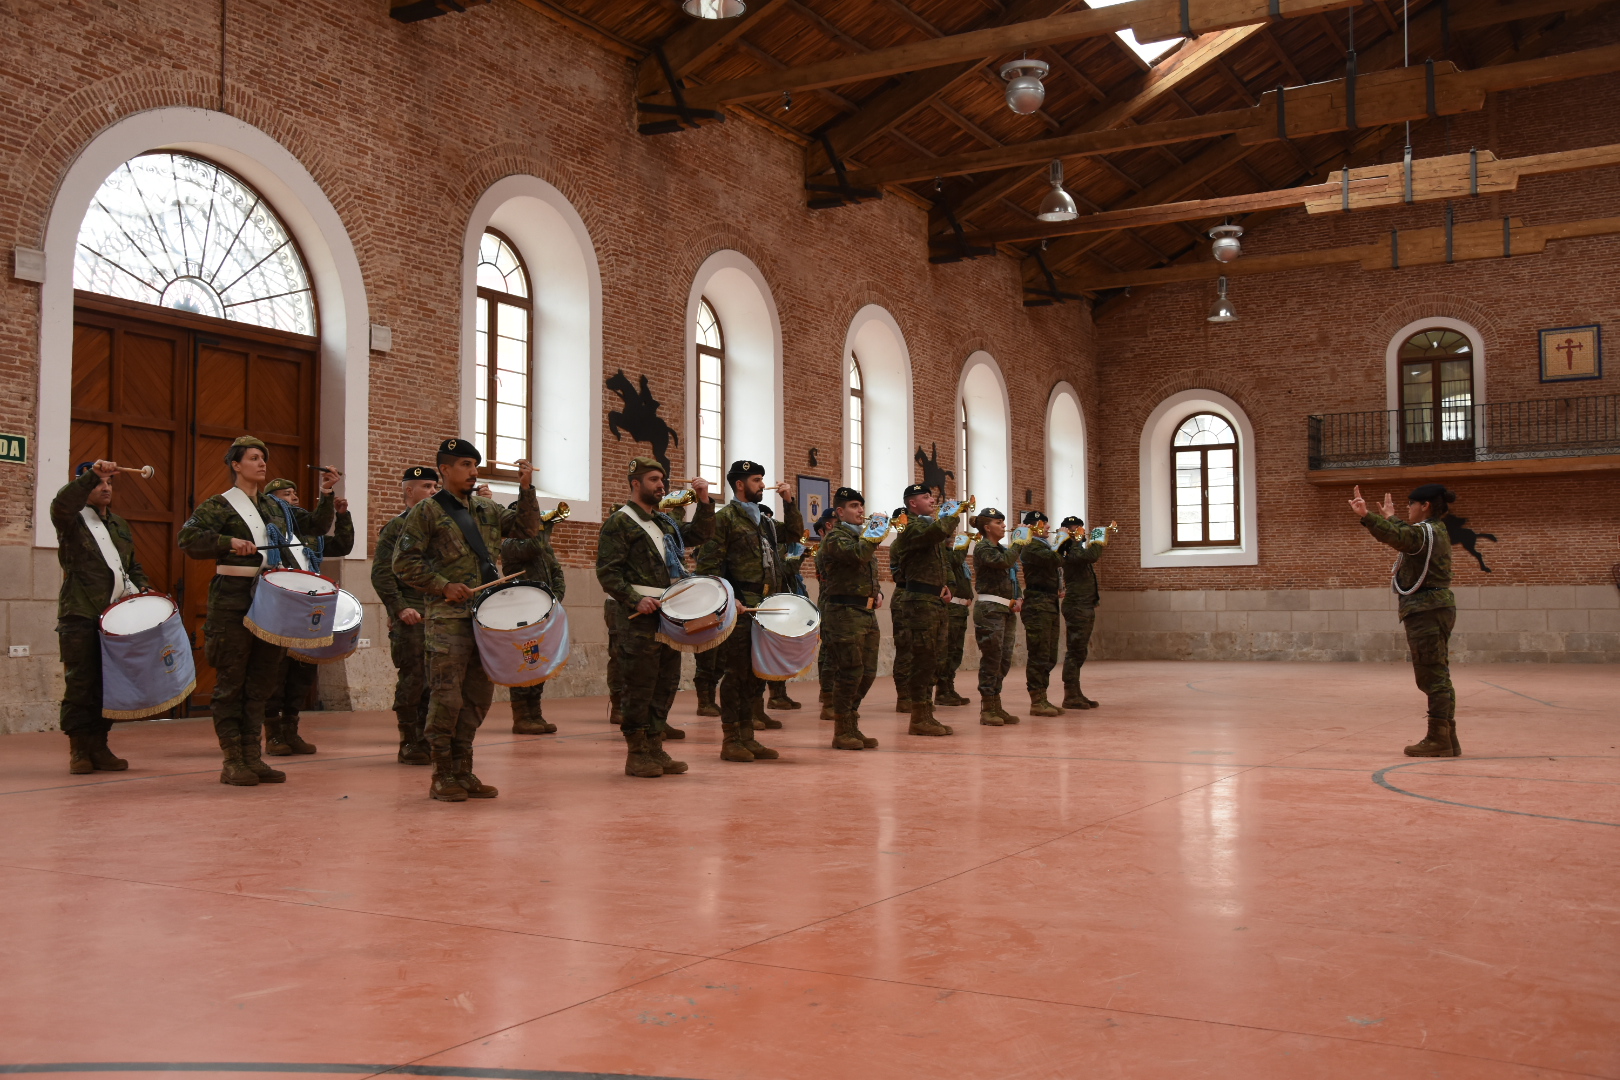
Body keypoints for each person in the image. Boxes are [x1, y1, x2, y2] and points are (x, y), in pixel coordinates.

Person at [179, 436, 335, 787]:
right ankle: (233, 759)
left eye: (263, 458)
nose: (262, 463)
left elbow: (314, 526)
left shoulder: (274, 507)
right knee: (232, 683)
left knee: (261, 682)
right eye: (253, 458)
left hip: (271, 601)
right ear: (236, 465)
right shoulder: (219, 506)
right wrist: (227, 542)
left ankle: (253, 756)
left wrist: (326, 494)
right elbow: (187, 540)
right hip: (233, 600)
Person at [392, 439, 539, 801]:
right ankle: (442, 774)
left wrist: (525, 489)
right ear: (444, 470)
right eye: (464, 464)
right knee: (446, 696)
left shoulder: (487, 510)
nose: (473, 471)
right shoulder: (426, 511)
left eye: (474, 464)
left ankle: (465, 769)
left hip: (487, 617)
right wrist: (443, 586)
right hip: (448, 619)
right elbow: (403, 562)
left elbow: (526, 528)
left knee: (478, 696)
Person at [596, 457, 714, 776]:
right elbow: (608, 573)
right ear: (635, 483)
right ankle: (636, 753)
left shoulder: (664, 523)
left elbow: (699, 534)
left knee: (666, 681)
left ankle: (655, 747)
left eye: (662, 480)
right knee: (640, 683)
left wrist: (703, 501)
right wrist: (635, 600)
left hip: (668, 612)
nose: (661, 485)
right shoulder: (620, 522)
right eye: (653, 479)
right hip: (638, 616)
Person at [50, 460, 150, 774]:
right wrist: (92, 472)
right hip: (80, 613)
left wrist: (143, 587)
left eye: (109, 483)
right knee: (80, 684)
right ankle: (79, 749)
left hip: (114, 616)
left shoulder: (119, 524)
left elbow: (130, 566)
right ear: (85, 485)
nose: (105, 487)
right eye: (98, 483)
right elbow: (61, 503)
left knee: (108, 685)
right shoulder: (71, 519)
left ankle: (100, 745)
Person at [1350, 483, 1461, 757]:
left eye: (1411, 504)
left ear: (1425, 506)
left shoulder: (1426, 532)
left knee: (1432, 676)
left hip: (1426, 609)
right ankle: (1448, 736)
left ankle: (1439, 738)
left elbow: (1401, 537)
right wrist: (1390, 518)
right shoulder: (1434, 530)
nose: (1408, 509)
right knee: (1437, 673)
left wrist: (1367, 516)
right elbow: (1406, 535)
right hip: (1433, 606)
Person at [695, 460, 794, 762]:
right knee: (736, 674)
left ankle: (748, 735)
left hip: (766, 605)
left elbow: (794, 533)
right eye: (756, 479)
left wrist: (789, 502)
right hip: (741, 604)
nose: (763, 485)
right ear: (740, 484)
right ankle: (731, 739)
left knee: (757, 674)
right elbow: (708, 566)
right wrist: (729, 598)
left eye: (763, 479)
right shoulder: (725, 518)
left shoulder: (763, 520)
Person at [262, 477, 355, 755]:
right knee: (276, 673)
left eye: (294, 493)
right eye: (285, 494)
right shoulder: (269, 533)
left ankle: (291, 730)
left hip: (308, 610)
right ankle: (274, 734)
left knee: (303, 672)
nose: (294, 498)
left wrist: (343, 516)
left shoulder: (309, 535)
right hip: (282, 610)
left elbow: (342, 546)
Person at [889, 484, 972, 737]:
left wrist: (948, 585)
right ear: (912, 503)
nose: (931, 499)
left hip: (933, 598)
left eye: (931, 496)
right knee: (922, 658)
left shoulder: (927, 526)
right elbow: (936, 533)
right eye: (925, 497)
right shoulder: (911, 526)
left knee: (935, 657)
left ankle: (926, 714)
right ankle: (918, 716)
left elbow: (942, 560)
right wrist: (953, 513)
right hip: (918, 601)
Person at [373, 466, 440, 764]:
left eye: (435, 486)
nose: (433, 491)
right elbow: (382, 574)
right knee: (414, 680)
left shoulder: (440, 527)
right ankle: (410, 741)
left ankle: (430, 738)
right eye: (426, 486)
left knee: (438, 680)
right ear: (409, 491)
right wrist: (399, 608)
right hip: (412, 612)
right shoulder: (395, 528)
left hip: (440, 613)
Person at [817, 487, 884, 750]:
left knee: (867, 672)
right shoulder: (836, 538)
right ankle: (842, 729)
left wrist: (875, 591)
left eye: (861, 506)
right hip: (843, 613)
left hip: (865, 612)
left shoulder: (860, 538)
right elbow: (857, 556)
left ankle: (851, 723)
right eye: (854, 506)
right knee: (849, 672)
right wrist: (875, 533)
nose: (860, 511)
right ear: (840, 512)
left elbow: (865, 570)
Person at [501, 502, 566, 736]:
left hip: (544, 612)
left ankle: (535, 713)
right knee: (525, 663)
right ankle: (521, 716)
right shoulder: (510, 545)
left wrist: (554, 601)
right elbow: (535, 548)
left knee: (539, 662)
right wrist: (544, 527)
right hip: (522, 612)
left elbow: (557, 573)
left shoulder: (541, 544)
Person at [971, 509, 1024, 727]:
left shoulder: (1002, 549)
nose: (1004, 526)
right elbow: (1002, 563)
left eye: (1004, 522)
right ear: (987, 527)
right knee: (992, 658)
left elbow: (1012, 575)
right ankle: (987, 708)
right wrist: (1019, 542)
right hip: (990, 609)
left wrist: (1018, 596)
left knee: (1003, 659)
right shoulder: (984, 548)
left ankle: (996, 702)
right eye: (998, 522)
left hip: (1006, 609)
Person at [1018, 511, 1065, 718]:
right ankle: (1036, 700)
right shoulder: (1031, 546)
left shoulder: (1043, 545)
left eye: (1046, 523)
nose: (1047, 527)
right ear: (1032, 526)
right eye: (1042, 524)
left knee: (1049, 654)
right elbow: (1054, 560)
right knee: (1039, 654)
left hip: (1049, 602)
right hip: (1038, 604)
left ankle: (1043, 697)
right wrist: (1062, 539)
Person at [762, 501, 806, 714]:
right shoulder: (765, 546)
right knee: (768, 651)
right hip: (767, 602)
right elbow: (785, 569)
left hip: (781, 600)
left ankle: (779, 694)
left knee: (780, 650)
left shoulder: (778, 544)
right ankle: (771, 697)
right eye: (767, 518)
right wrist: (799, 557)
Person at [1059, 515, 1105, 709]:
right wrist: (1098, 539)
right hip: (1077, 605)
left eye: (1080, 529)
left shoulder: (1076, 548)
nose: (1081, 532)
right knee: (1075, 651)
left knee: (1079, 651)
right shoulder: (1068, 550)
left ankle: (1076, 692)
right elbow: (1091, 556)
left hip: (1084, 604)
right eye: (1076, 529)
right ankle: (1070, 694)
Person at [935, 520, 974, 708]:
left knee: (956, 652)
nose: (952, 537)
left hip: (960, 610)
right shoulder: (943, 552)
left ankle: (949, 687)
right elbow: (954, 562)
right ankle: (942, 690)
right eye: (949, 535)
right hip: (951, 609)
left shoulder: (952, 552)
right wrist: (963, 545)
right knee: (947, 652)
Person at [888, 506, 913, 714]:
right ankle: (904, 696)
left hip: (918, 598)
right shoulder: (899, 544)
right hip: (904, 596)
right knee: (906, 649)